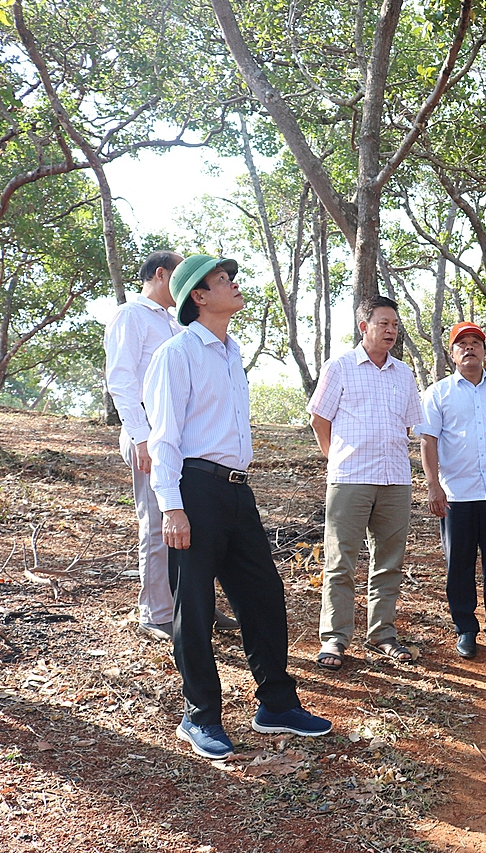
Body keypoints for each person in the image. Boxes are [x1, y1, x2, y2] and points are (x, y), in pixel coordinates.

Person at [145, 255, 331, 760]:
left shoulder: (231, 351)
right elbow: (164, 438)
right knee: (197, 606)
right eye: (221, 280)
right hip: (194, 488)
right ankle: (200, 715)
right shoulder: (176, 354)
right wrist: (171, 507)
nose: (232, 284)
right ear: (198, 297)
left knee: (264, 596)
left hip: (236, 489)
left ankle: (276, 704)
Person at [104, 251, 239, 643]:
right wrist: (142, 437)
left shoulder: (177, 324)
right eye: (180, 274)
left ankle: (195, 602)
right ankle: (157, 612)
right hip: (149, 431)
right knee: (158, 519)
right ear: (161, 274)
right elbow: (122, 381)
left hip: (183, 434)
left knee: (196, 520)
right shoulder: (131, 315)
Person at [307, 296, 423, 670]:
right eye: (383, 324)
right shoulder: (339, 366)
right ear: (364, 327)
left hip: (394, 480)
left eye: (394, 325)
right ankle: (335, 639)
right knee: (341, 562)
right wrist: (337, 457)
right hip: (350, 479)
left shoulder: (404, 374)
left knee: (388, 562)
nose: (391, 331)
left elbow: (407, 426)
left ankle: (382, 633)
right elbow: (319, 420)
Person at [417, 322, 486, 660]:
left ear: (485, 351)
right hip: (456, 495)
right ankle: (466, 629)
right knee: (459, 565)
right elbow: (428, 440)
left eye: (475, 343)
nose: (469, 348)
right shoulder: (438, 394)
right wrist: (434, 485)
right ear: (452, 353)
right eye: (462, 344)